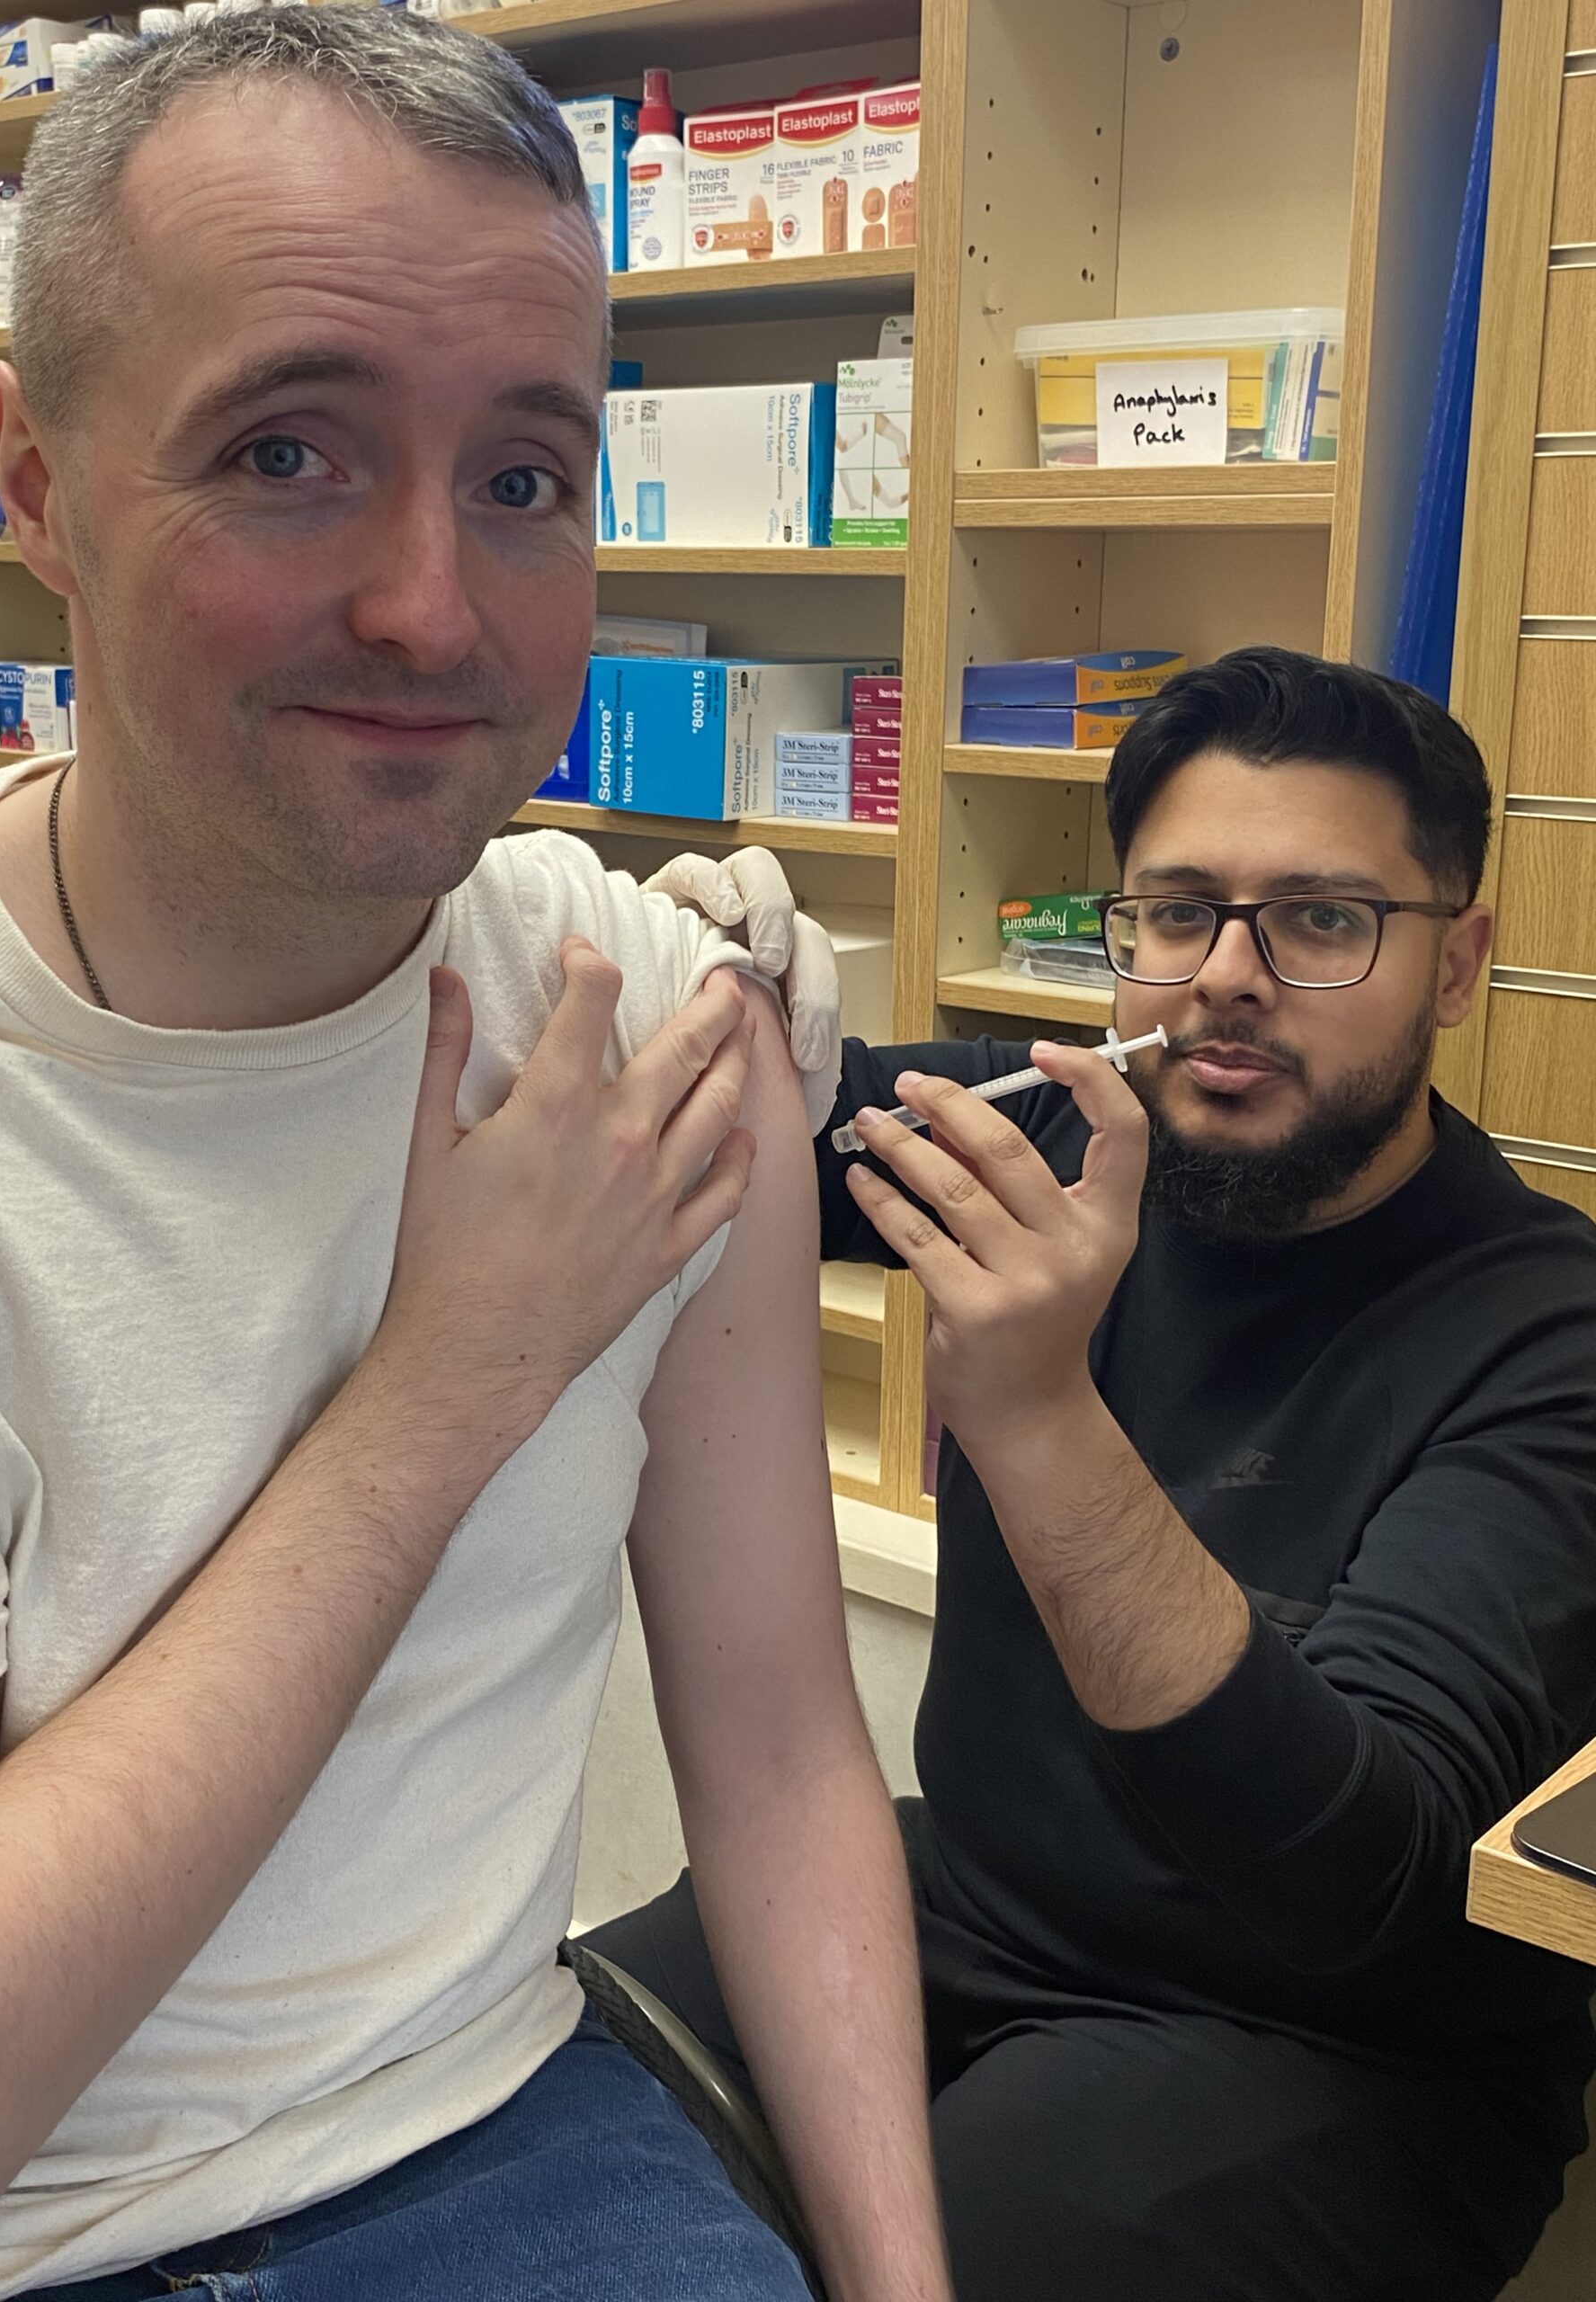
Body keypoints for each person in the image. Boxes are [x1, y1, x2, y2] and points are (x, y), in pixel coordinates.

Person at [0, 14, 952, 2302]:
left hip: (497, 2135)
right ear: (36, 486)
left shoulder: (640, 1026)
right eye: (287, 451)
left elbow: (775, 1751)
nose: (433, 609)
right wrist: (456, 1376)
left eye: (524, 478)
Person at [594, 647, 1596, 2302]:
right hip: (975, 1902)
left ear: (1459, 963)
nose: (1227, 978)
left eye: (1322, 921)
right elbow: (706, 1120)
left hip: (1328, 2039)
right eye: (1178, 913)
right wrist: (667, 972)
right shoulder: (1061, 1137)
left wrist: (1041, 1422)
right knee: (522, 2106)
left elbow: (1353, 1877)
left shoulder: (1547, 1337)